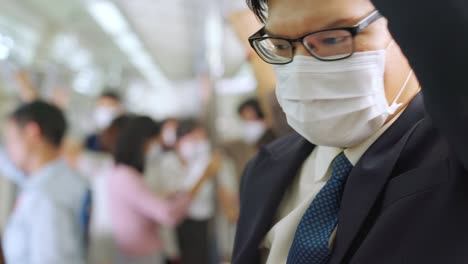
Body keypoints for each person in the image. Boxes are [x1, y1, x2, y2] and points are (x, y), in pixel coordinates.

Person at [233, 0, 468, 263]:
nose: (301, 69)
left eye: (333, 39)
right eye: (279, 45)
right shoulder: (264, 169)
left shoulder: (451, 152)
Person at [2, 101, 90, 264]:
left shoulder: (45, 197)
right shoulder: (65, 179)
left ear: (32, 133)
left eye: (11, 140)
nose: (8, 148)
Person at [108, 116, 191, 264]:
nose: (156, 146)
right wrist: (190, 192)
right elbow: (167, 214)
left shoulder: (124, 173)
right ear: (142, 141)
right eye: (154, 141)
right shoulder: (125, 176)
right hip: (141, 256)